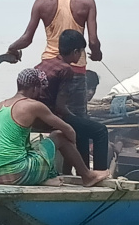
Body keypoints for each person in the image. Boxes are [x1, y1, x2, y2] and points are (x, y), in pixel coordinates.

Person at [6, 0, 102, 117]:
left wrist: (12, 48)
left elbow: (26, 39)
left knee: (50, 118)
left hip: (48, 70)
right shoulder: (87, 3)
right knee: (78, 118)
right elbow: (93, 41)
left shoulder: (41, 3)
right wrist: (97, 54)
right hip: (76, 69)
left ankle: (51, 141)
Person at [0, 68, 110, 187]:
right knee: (59, 136)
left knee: (34, 146)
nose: (40, 94)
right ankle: (88, 176)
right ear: (35, 88)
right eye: (40, 89)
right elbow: (69, 130)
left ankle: (46, 177)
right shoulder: (33, 106)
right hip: (18, 173)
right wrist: (71, 146)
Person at [35, 30, 110, 171]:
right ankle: (100, 174)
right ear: (75, 51)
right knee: (100, 130)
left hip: (37, 116)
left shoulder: (43, 65)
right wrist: (74, 119)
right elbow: (60, 107)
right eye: (81, 52)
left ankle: (82, 172)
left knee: (82, 129)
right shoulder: (66, 69)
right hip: (51, 116)